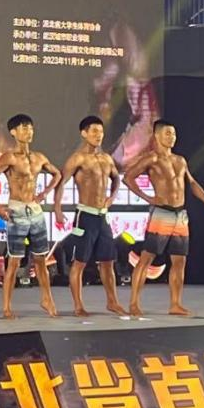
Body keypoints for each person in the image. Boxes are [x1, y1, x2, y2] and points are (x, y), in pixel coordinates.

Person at [125, 120, 204, 317]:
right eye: (168, 133)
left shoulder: (180, 160)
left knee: (179, 261)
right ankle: (133, 303)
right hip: (162, 213)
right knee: (146, 258)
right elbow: (128, 177)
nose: (172, 137)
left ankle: (175, 304)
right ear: (157, 136)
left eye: (174, 134)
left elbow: (192, 182)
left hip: (180, 215)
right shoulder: (151, 158)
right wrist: (148, 198)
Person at [0, 113, 61, 319]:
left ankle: (47, 299)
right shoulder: (9, 157)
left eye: (31, 128)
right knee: (15, 261)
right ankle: (6, 307)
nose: (29, 132)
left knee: (41, 259)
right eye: (24, 128)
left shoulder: (39, 157)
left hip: (35, 211)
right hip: (17, 210)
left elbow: (57, 174)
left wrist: (44, 193)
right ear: (13, 132)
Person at [52, 116, 128, 317]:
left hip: (103, 217)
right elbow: (61, 183)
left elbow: (116, 178)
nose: (98, 135)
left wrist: (112, 197)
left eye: (101, 131)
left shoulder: (106, 159)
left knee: (108, 261)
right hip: (85, 216)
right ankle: (78, 306)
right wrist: (57, 209)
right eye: (94, 131)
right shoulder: (77, 159)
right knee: (79, 262)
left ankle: (112, 302)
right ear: (84, 133)